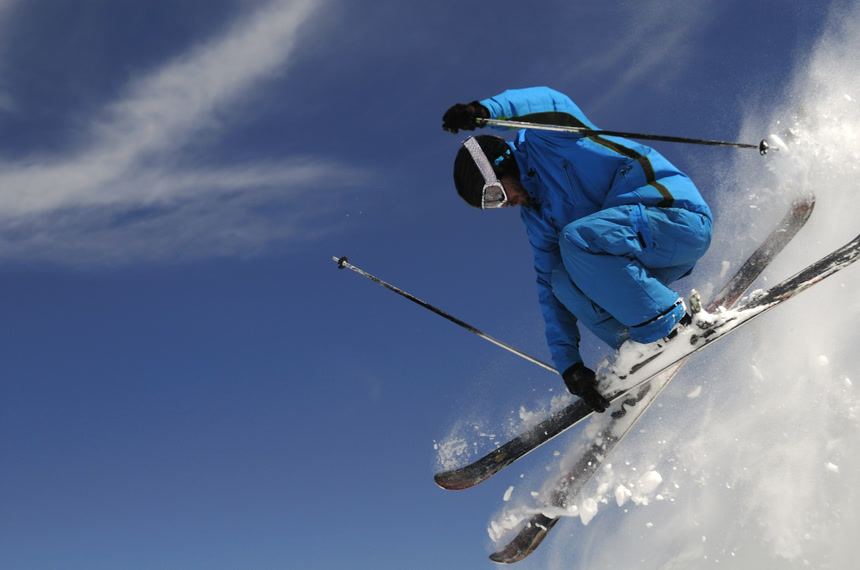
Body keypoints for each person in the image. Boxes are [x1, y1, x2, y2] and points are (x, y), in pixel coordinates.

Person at [442, 87, 712, 413]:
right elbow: (549, 292)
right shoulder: (537, 216)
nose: (504, 204)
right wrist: (570, 366)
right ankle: (639, 344)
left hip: (676, 220)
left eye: (495, 194)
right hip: (641, 259)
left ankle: (667, 326)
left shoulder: (551, 139)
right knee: (559, 279)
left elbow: (549, 102)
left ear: (502, 165)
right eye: (492, 205)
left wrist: (484, 111)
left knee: (574, 239)